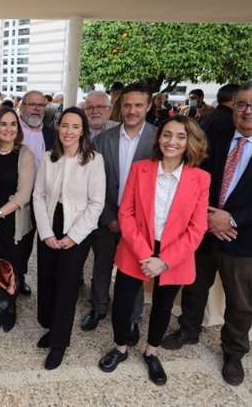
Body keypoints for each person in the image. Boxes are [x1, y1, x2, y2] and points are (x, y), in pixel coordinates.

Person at [161, 80, 252, 386]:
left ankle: (234, 352)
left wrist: (233, 219)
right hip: (202, 230)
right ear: (233, 106)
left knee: (241, 300)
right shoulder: (214, 137)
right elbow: (192, 176)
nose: (249, 111)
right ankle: (189, 330)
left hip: (246, 238)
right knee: (193, 286)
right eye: (242, 104)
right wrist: (204, 215)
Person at [98, 116, 210, 385]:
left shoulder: (201, 178)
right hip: (138, 248)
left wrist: (164, 261)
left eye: (180, 136)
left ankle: (152, 352)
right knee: (123, 304)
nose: (172, 141)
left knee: (162, 306)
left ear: (190, 141)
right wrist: (144, 255)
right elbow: (126, 213)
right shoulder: (140, 169)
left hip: (174, 254)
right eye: (167, 135)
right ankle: (120, 348)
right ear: (158, 138)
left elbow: (197, 227)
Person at [80, 83, 157, 347]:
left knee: (133, 272)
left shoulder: (159, 140)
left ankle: (133, 318)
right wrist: (107, 216)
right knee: (101, 266)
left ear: (148, 106)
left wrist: (135, 221)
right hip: (107, 217)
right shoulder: (104, 139)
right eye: (126, 105)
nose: (132, 110)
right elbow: (94, 181)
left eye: (138, 105)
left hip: (140, 223)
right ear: (119, 107)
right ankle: (98, 307)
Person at [33, 106, 105, 370]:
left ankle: (60, 342)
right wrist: (46, 232)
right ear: (58, 127)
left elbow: (96, 204)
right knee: (48, 280)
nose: (69, 131)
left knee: (66, 286)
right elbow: (38, 196)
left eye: (76, 126)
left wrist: (73, 236)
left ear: (83, 130)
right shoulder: (49, 156)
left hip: (78, 228)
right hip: (50, 224)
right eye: (65, 125)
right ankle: (52, 328)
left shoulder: (93, 160)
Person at [0, 107, 35, 332]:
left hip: (14, 220)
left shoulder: (25, 154)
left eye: (13, 124)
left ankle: (11, 307)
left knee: (13, 265)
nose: (9, 129)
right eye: (3, 124)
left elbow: (23, 195)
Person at [17, 90, 56, 295]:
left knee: (33, 239)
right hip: (15, 197)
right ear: (22, 106)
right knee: (18, 240)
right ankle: (14, 277)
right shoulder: (12, 130)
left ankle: (21, 276)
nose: (36, 109)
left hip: (43, 198)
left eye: (40, 105)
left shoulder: (52, 134)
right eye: (32, 104)